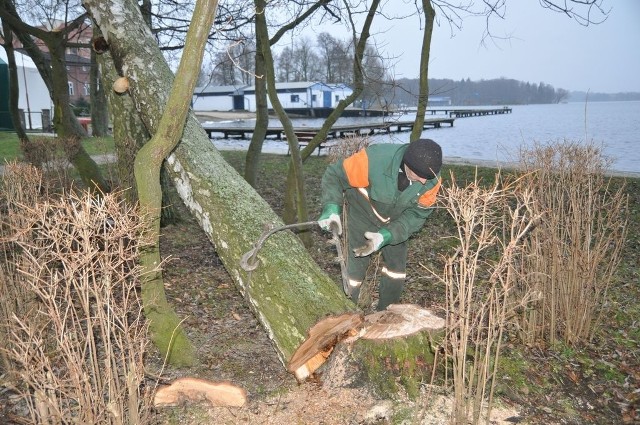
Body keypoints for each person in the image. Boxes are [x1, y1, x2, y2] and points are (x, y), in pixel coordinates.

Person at [318, 138, 442, 311]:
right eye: (420, 176)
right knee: (354, 271)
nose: (423, 181)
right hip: (363, 212)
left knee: (396, 272)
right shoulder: (374, 159)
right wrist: (332, 207)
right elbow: (336, 175)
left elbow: (417, 214)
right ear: (407, 164)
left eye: (427, 178)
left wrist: (387, 235)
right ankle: (346, 313)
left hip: (396, 221)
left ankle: (385, 314)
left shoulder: (431, 180)